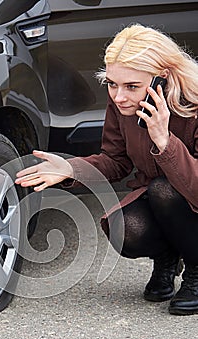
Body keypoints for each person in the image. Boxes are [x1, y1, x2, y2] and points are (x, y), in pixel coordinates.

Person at [15, 24, 198, 316]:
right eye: (112, 83)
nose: (118, 96)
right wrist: (70, 169)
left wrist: (165, 141)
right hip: (162, 200)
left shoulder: (195, 106)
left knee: (163, 189)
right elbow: (116, 161)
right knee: (125, 228)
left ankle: (196, 271)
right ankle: (167, 256)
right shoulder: (124, 105)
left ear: (162, 78)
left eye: (131, 86)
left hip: (190, 202)